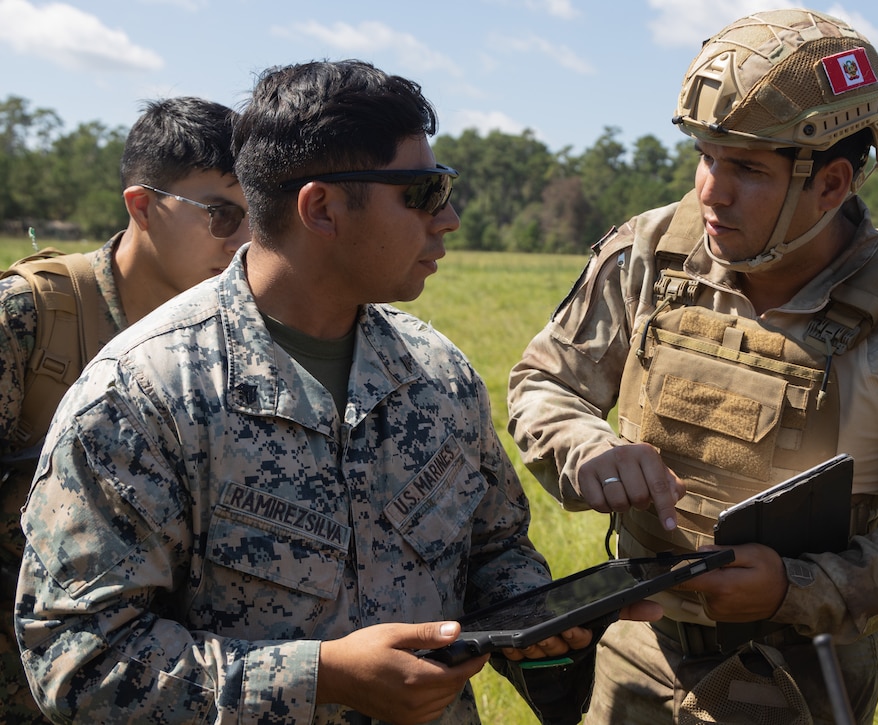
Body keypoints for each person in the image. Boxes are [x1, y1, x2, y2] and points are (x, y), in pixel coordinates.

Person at [13, 59, 623, 725]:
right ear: (321, 207)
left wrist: (540, 615)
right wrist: (321, 676)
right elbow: (81, 663)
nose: (447, 218)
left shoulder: (436, 375)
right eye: (422, 192)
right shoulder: (141, 397)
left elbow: (494, 551)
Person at [507, 8, 878, 724]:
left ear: (833, 183)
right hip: (635, 646)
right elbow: (544, 382)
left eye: (745, 167)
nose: (710, 190)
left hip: (799, 672)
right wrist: (588, 449)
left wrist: (794, 587)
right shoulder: (648, 255)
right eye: (706, 155)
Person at [0, 95, 248, 723]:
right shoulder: (30, 319)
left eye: (258, 216)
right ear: (143, 206)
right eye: (222, 214)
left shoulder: (236, 339)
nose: (245, 241)